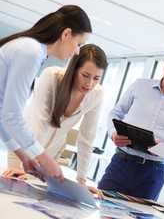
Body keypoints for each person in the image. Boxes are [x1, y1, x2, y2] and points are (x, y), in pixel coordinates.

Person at [0, 5, 92, 181]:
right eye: (79, 44)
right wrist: (44, 158)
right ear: (66, 34)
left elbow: (2, 113)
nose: (77, 51)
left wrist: (24, 156)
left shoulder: (30, 48)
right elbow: (11, 116)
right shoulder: (31, 51)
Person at [2, 44, 107, 197]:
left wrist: (82, 181)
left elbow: (87, 137)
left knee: (41, 199)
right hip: (25, 147)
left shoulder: (97, 94)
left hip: (52, 153)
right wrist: (27, 167)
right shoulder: (52, 76)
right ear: (74, 69)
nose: (90, 84)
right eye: (85, 75)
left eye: (96, 78)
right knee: (17, 194)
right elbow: (40, 124)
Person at [97, 49, 164, 201]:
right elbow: (115, 113)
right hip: (121, 164)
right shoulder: (139, 85)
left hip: (153, 174)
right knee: (101, 206)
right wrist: (113, 134)